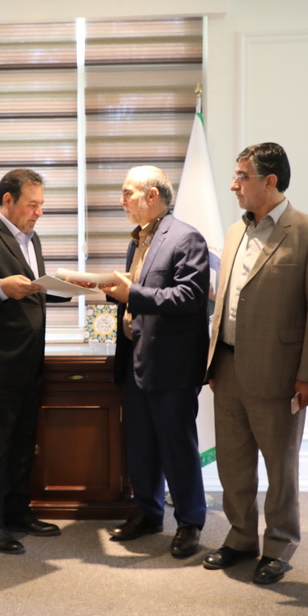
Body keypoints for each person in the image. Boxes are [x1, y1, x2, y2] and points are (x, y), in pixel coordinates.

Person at [204, 142, 308, 585]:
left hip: (280, 374)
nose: (233, 185)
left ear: (270, 181)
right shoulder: (234, 232)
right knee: (233, 464)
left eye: (241, 176)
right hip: (227, 367)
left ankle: (278, 544)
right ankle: (241, 537)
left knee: (280, 468)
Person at [103, 165, 210, 558]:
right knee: (141, 445)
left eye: (127, 192)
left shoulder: (186, 238)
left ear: (152, 195)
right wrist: (110, 289)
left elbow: (190, 297)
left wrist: (131, 294)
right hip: (137, 358)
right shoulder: (139, 240)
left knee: (177, 446)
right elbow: (139, 292)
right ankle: (148, 512)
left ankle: (189, 522)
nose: (121, 200)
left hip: (171, 364)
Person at [0, 168, 62, 554]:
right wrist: (2, 288)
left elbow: (32, 291)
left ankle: (18, 511)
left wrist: (67, 287)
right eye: (32, 205)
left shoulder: (31, 238)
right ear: (7, 200)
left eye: (41, 205)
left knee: (22, 443)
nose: (39, 213)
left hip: (28, 363)